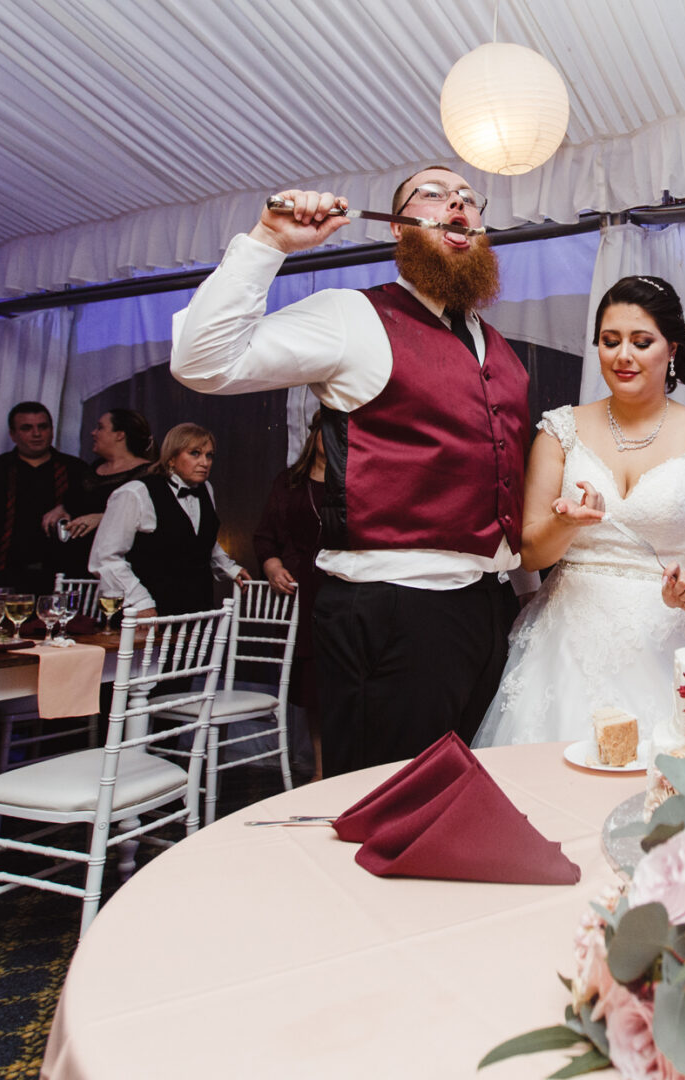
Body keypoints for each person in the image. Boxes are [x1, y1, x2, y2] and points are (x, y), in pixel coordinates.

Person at [171, 165, 529, 776]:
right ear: (398, 229)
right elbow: (203, 363)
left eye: (470, 199)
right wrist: (269, 242)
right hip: (390, 606)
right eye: (436, 195)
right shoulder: (352, 316)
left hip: (487, 604)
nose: (458, 205)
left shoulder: (491, 341)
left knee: (460, 796)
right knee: (384, 802)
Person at [472, 276, 685, 751]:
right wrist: (566, 523)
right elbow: (531, 554)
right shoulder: (560, 431)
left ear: (672, 350)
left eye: (642, 342)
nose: (623, 356)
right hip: (565, 646)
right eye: (610, 341)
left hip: (669, 639)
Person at [89, 422, 249, 621]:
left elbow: (200, 539)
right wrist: (140, 602)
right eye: (195, 453)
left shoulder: (206, 489)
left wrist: (230, 569)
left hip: (196, 608)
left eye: (209, 455)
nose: (205, 462)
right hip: (149, 612)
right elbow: (105, 557)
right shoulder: (135, 493)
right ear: (171, 458)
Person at [0, 401, 91, 593]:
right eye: (27, 428)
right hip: (0, 578)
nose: (37, 434)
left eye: (43, 427)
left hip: (64, 580)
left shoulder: (77, 471)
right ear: (13, 434)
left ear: (52, 430)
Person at [252, 411, 326, 778]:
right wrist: (271, 565)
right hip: (305, 593)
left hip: (348, 588)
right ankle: (320, 769)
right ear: (314, 434)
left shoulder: (355, 480)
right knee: (314, 686)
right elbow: (264, 537)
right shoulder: (289, 482)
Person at [50, 408, 156, 574]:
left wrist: (103, 518)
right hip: (76, 570)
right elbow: (76, 502)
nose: (93, 432)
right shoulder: (93, 469)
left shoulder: (149, 474)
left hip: (117, 571)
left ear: (119, 435)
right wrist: (62, 509)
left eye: (100, 427)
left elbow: (153, 520)